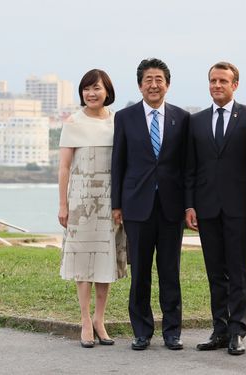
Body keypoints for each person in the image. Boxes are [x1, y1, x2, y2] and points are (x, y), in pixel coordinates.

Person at [111, 58, 189, 351]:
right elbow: (118, 162)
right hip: (136, 206)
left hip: (171, 207)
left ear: (167, 84)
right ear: (140, 85)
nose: (153, 85)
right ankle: (141, 331)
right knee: (140, 272)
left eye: (159, 79)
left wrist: (188, 205)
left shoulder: (182, 118)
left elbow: (186, 166)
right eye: (148, 80)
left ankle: (172, 332)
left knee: (170, 271)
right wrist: (116, 204)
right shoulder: (125, 117)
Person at [185, 62, 246, 355]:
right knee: (215, 272)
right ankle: (220, 329)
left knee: (239, 272)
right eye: (213, 81)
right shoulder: (197, 121)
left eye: (223, 81)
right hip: (206, 208)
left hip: (240, 207)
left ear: (235, 85)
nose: (217, 85)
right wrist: (189, 204)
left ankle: (238, 331)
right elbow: (190, 167)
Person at [58, 69, 126, 349]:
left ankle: (100, 319)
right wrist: (63, 204)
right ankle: (85, 321)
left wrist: (121, 204)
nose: (92, 93)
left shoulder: (118, 121)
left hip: (111, 202)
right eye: (87, 88)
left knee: (104, 260)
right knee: (83, 263)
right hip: (81, 202)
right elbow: (64, 167)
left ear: (107, 91)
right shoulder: (73, 122)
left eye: (97, 88)